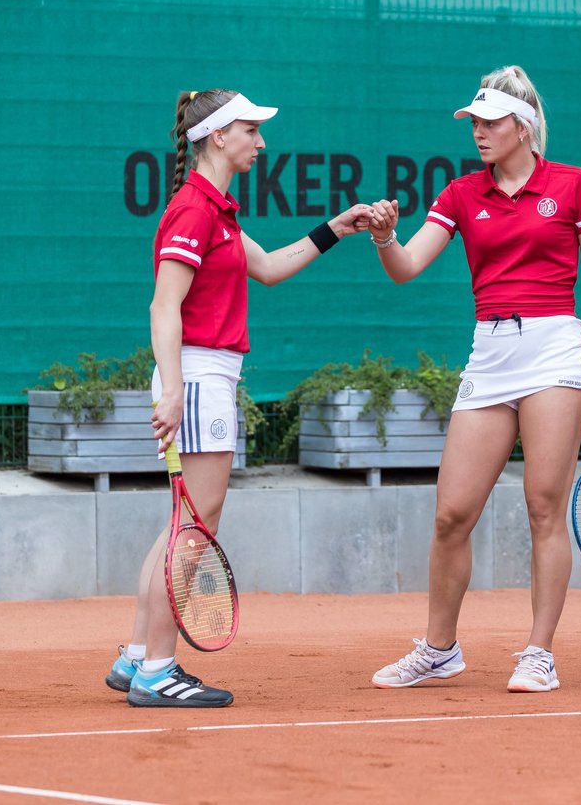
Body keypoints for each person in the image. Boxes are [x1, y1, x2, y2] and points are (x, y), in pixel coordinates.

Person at [105, 88, 378, 708]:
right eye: (251, 131)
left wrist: (338, 227)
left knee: (183, 526)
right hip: (197, 378)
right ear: (218, 137)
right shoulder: (193, 211)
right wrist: (174, 389)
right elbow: (163, 306)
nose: (261, 142)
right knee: (196, 528)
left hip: (204, 378)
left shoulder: (216, 209)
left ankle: (137, 656)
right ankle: (157, 671)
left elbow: (272, 266)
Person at [368, 65, 581, 693]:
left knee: (543, 506)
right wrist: (384, 237)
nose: (478, 132)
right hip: (490, 352)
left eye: (490, 122)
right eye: (474, 122)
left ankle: (538, 652)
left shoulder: (572, 185)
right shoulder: (459, 193)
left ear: (524, 126)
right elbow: (407, 268)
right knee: (452, 513)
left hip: (555, 350)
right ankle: (439, 648)